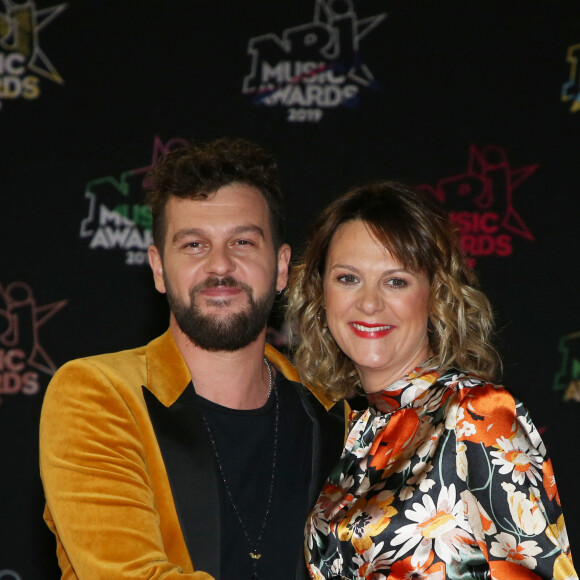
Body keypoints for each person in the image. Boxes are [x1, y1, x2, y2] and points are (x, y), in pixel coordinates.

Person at [39, 137, 346, 579]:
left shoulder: (335, 418)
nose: (220, 266)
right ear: (159, 268)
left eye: (242, 241)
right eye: (194, 245)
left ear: (281, 267)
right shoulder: (98, 395)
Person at [286, 181, 576, 579]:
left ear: (435, 294)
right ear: (320, 293)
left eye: (396, 281)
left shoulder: (475, 412)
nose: (369, 303)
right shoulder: (357, 431)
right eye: (348, 278)